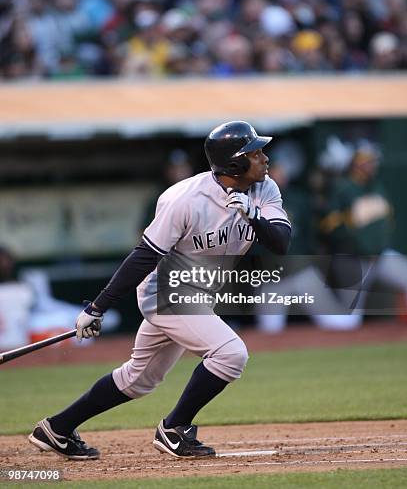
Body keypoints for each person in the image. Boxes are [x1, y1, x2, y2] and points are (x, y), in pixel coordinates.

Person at [28, 121, 291, 460]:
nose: (265, 158)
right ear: (235, 163)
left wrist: (253, 214)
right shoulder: (185, 199)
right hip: (167, 292)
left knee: (140, 379)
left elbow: (281, 242)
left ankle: (57, 428)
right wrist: (97, 307)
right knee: (230, 354)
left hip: (200, 293)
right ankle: (175, 428)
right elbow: (144, 256)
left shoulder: (264, 189)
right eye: (255, 153)